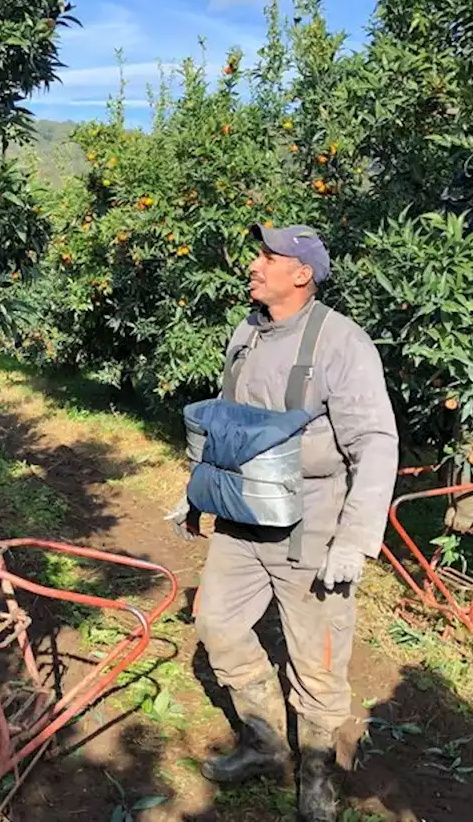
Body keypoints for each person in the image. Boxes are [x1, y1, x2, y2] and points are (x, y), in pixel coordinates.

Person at [166, 224, 399, 822]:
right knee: (216, 624)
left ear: (302, 274)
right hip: (244, 516)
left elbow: (375, 442)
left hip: (314, 526)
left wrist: (355, 540)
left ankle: (319, 776)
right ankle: (266, 745)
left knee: (317, 659)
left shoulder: (341, 343)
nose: (254, 264)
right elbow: (228, 425)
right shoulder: (245, 332)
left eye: (267, 257)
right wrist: (199, 495)